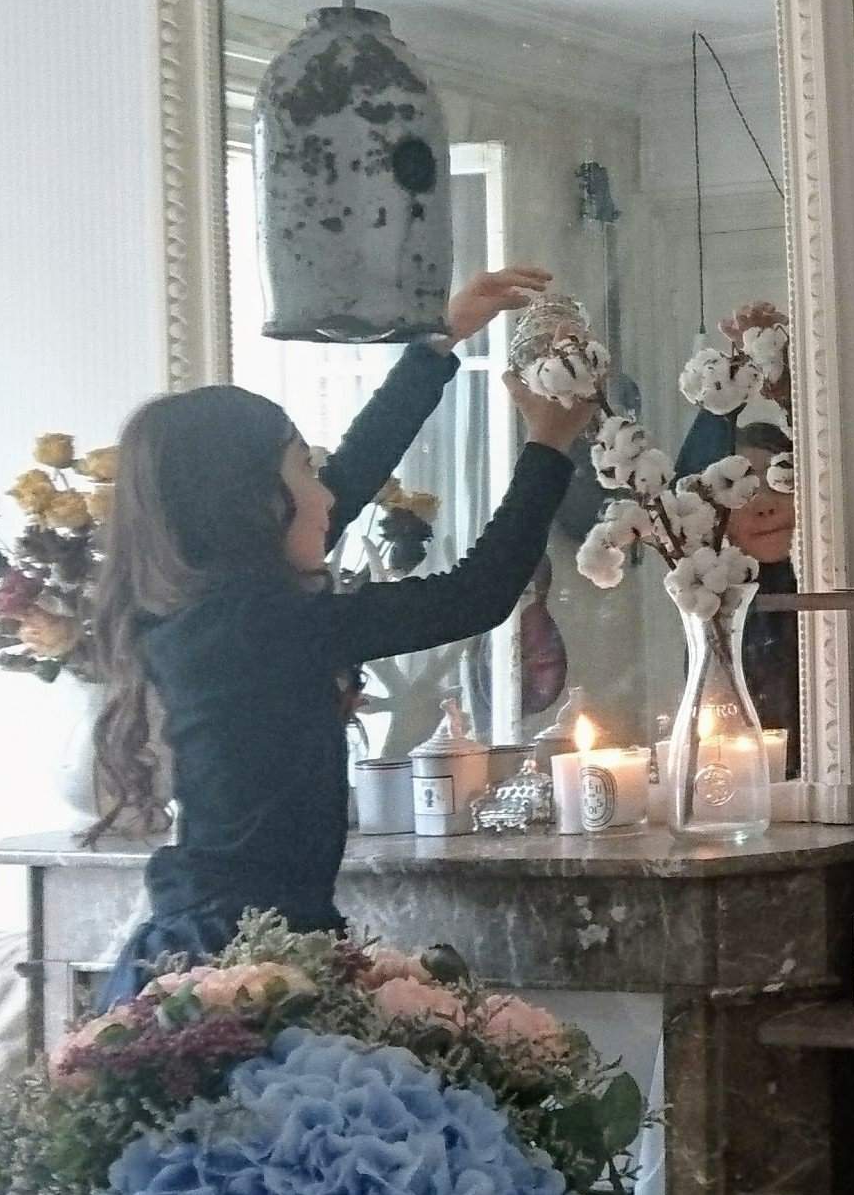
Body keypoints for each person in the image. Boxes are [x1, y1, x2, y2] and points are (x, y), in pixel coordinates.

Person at [88, 267, 592, 1001]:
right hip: (236, 962)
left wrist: (438, 343)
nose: (325, 492)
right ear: (252, 503)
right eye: (303, 468)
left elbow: (345, 484)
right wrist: (549, 445)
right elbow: (476, 595)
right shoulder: (257, 627)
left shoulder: (212, 615)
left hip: (233, 938)